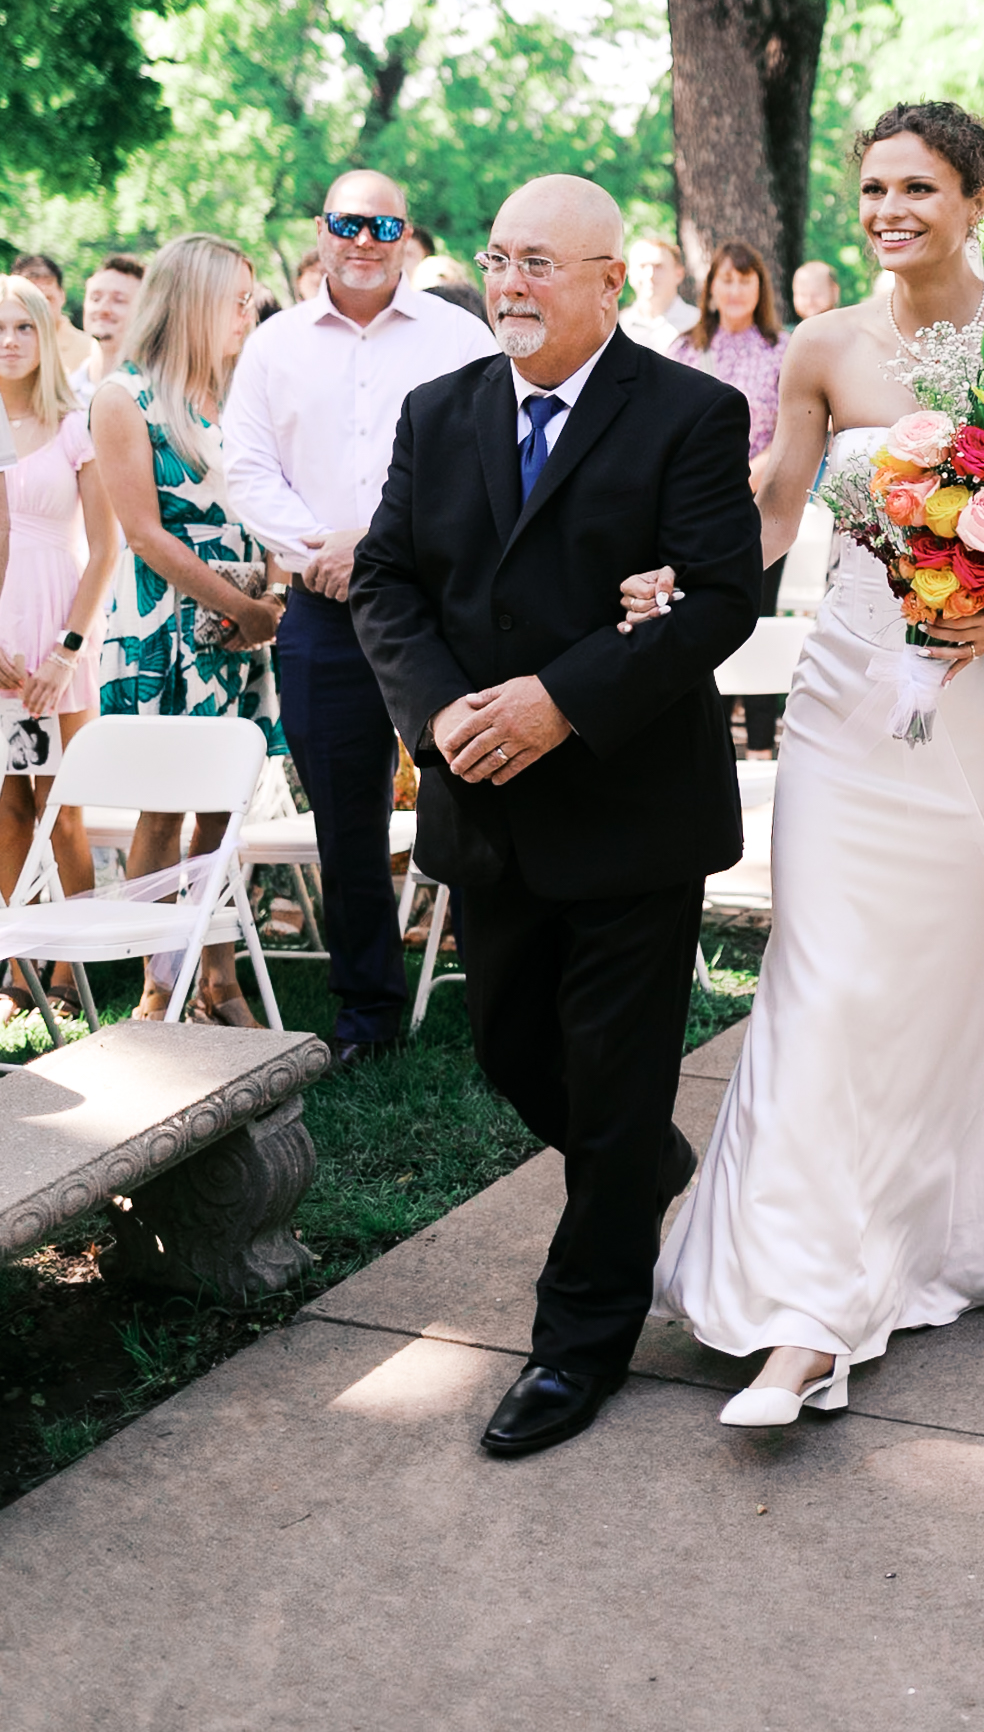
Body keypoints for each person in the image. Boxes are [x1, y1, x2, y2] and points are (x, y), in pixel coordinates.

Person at [621, 101, 984, 1426]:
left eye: (920, 187)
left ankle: (924, 1230)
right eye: (874, 186)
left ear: (977, 197)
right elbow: (774, 511)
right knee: (819, 981)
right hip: (841, 712)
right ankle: (806, 1307)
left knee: (932, 987)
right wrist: (681, 579)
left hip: (971, 707)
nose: (890, 208)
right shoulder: (822, 345)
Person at [349, 174, 761, 1459]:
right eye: (496, 259)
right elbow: (385, 581)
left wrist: (559, 701)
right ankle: (645, 1169)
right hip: (484, 802)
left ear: (605, 278)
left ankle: (578, 1342)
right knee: (517, 1051)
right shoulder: (438, 409)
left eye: (538, 264)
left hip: (631, 807)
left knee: (620, 1065)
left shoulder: (688, 412)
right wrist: (440, 719)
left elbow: (717, 597)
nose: (510, 284)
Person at [222, 171, 497, 1060]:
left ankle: (499, 995)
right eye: (348, 222)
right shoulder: (274, 346)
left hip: (439, 604)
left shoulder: (461, 338)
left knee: (475, 797)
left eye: (383, 223)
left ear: (407, 234)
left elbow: (484, 466)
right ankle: (367, 1014)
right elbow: (247, 468)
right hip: (321, 610)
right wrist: (319, 549)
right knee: (346, 820)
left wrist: (371, 545)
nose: (365, 238)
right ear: (321, 231)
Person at [93, 235, 286, 1026]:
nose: (249, 313)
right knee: (165, 812)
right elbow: (143, 532)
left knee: (222, 813)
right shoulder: (125, 396)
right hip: (166, 626)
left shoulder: (241, 395)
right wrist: (241, 607)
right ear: (195, 301)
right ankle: (157, 985)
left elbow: (269, 504)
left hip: (241, 629)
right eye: (236, 298)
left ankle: (220, 978)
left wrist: (267, 594)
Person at [0, 278, 119, 1024]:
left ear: (46, 336)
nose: (8, 340)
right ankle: (19, 964)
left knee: (61, 807)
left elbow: (106, 547)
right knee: (6, 807)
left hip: (57, 636)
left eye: (22, 326)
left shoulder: (75, 426)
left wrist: (65, 651)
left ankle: (75, 966)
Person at [672, 244, 790, 756]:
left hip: (762, 503)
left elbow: (793, 431)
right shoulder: (686, 347)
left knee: (755, 615)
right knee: (699, 618)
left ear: (760, 288)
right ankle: (709, 738)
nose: (736, 288)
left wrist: (743, 479)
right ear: (711, 287)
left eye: (746, 279)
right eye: (727, 279)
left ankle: (762, 739)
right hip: (694, 509)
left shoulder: (782, 349)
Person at [70, 256, 146, 406]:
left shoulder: (157, 394)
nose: (103, 309)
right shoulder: (66, 391)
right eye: (96, 298)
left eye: (119, 300)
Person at [12, 254, 90, 378]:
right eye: (30, 300)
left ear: (62, 296)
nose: (41, 309)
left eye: (48, 299)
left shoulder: (89, 350)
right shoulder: (6, 348)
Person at [619, 235, 700, 355]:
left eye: (659, 266)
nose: (650, 275)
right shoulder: (616, 327)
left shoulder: (698, 323)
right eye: (642, 266)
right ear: (628, 274)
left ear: (679, 274)